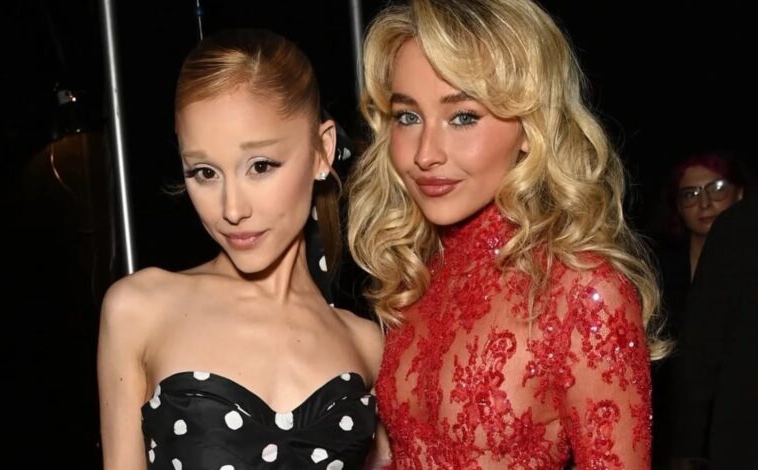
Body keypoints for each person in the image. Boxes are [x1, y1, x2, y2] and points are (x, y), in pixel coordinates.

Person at [347, 0, 666, 468]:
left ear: (530, 127)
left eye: (463, 117)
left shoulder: (583, 291)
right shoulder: (415, 275)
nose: (425, 154)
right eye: (408, 117)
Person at [97, 29, 383, 470]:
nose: (232, 209)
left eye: (260, 166)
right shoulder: (140, 309)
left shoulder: (367, 343)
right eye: (205, 172)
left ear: (322, 151)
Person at [651, 152, 746, 467]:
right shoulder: (657, 270)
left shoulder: (747, 266)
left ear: (740, 193)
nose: (704, 203)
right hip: (670, 428)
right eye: (690, 194)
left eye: (716, 188)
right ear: (677, 207)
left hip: (735, 427)